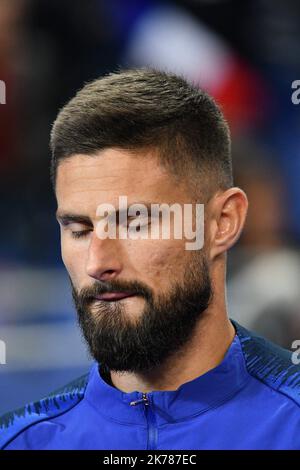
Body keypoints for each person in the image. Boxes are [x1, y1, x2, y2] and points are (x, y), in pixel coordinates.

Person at [1, 68, 300, 450]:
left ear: (222, 223)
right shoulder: (19, 443)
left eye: (134, 223)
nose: (98, 263)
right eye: (79, 229)